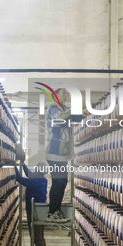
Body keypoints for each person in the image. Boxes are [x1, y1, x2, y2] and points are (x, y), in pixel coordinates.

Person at [45, 89, 74, 223]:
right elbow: (59, 119)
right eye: (64, 93)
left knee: (62, 182)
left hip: (61, 154)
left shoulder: (63, 108)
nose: (67, 95)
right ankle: (52, 212)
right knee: (58, 182)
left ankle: (55, 211)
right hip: (54, 152)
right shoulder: (53, 107)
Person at [15, 162, 47, 246]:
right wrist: (22, 163)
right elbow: (29, 174)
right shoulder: (41, 179)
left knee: (37, 236)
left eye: (37, 168)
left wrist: (14, 165)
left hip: (35, 211)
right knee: (38, 235)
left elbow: (20, 179)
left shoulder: (37, 181)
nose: (35, 169)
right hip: (37, 210)